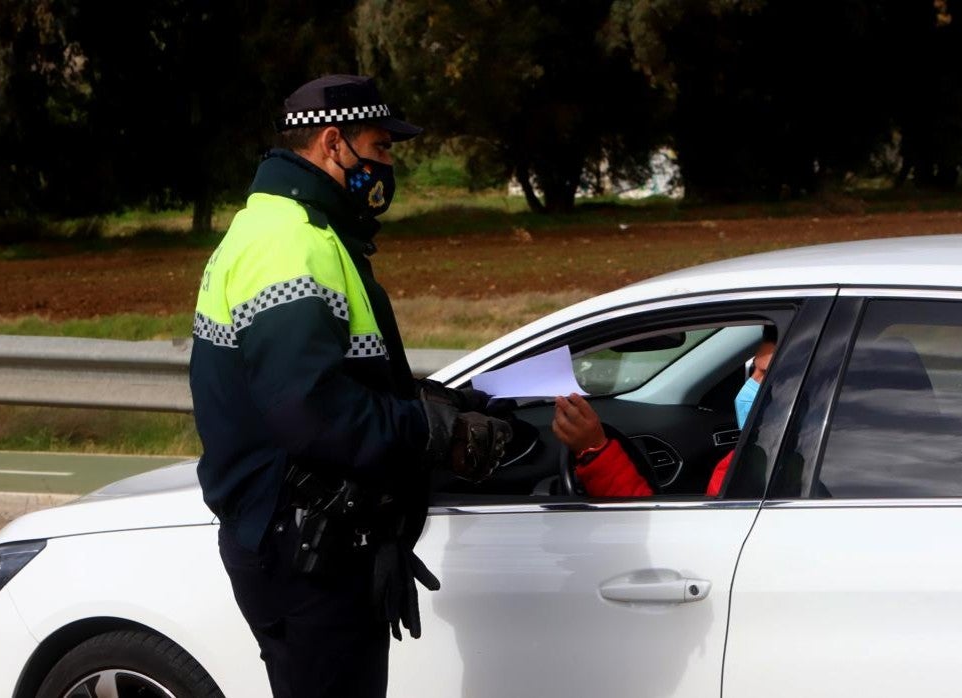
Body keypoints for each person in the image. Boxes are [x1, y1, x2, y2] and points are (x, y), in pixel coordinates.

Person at [189, 74, 511, 698]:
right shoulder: (291, 244)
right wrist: (431, 431)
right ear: (335, 143)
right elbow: (308, 409)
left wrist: (428, 403)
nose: (388, 164)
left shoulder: (287, 227)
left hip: (308, 543)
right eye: (381, 147)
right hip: (305, 556)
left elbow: (334, 378)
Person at [552, 328, 776, 497]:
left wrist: (594, 451)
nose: (749, 385)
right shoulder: (777, 453)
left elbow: (661, 538)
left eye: (764, 374)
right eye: (752, 370)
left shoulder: (751, 469)